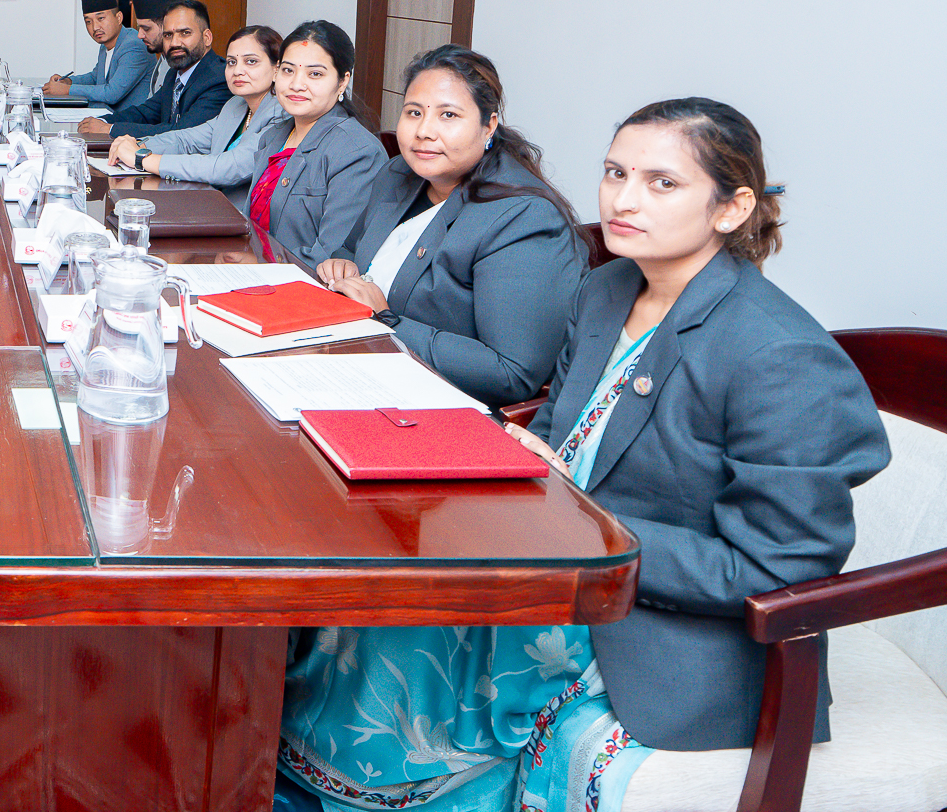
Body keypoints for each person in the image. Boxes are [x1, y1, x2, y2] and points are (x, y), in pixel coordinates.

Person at [279, 98, 889, 812]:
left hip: (659, 617)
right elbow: (561, 438)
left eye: (663, 182)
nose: (624, 199)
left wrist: (582, 525)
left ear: (732, 208)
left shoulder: (780, 354)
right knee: (368, 594)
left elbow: (781, 568)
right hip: (551, 548)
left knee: (408, 639)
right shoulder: (607, 289)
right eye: (615, 172)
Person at [313, 45, 583, 407]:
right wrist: (342, 265)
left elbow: (511, 374)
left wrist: (386, 320)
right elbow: (350, 247)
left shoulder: (524, 218)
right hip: (361, 367)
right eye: (414, 112)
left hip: (441, 405)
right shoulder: (398, 173)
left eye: (449, 115)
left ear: (489, 126)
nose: (424, 131)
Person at [244, 19, 385, 265]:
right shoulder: (273, 136)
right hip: (252, 274)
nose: (296, 84)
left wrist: (255, 267)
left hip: (302, 283)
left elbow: (332, 255)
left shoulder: (357, 152)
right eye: (288, 70)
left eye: (315, 74)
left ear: (342, 81)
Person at [110, 24, 285, 210]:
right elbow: (186, 139)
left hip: (245, 218)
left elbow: (227, 167)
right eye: (231, 62)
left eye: (251, 61)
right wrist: (139, 145)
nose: (237, 71)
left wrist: (142, 159)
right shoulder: (235, 105)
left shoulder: (282, 114)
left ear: (277, 69)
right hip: (211, 205)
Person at [79, 0, 229, 140]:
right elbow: (146, 113)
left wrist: (111, 129)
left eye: (185, 33)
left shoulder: (219, 79)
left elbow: (181, 133)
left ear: (207, 38)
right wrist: (102, 121)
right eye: (168, 35)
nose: (174, 43)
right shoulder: (174, 74)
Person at [42, 0, 154, 113]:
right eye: (88, 22)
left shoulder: (133, 46)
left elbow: (112, 93)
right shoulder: (106, 44)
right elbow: (96, 77)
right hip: (107, 117)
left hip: (130, 122)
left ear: (119, 18)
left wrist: (67, 90)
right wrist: (68, 81)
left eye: (101, 18)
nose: (95, 27)